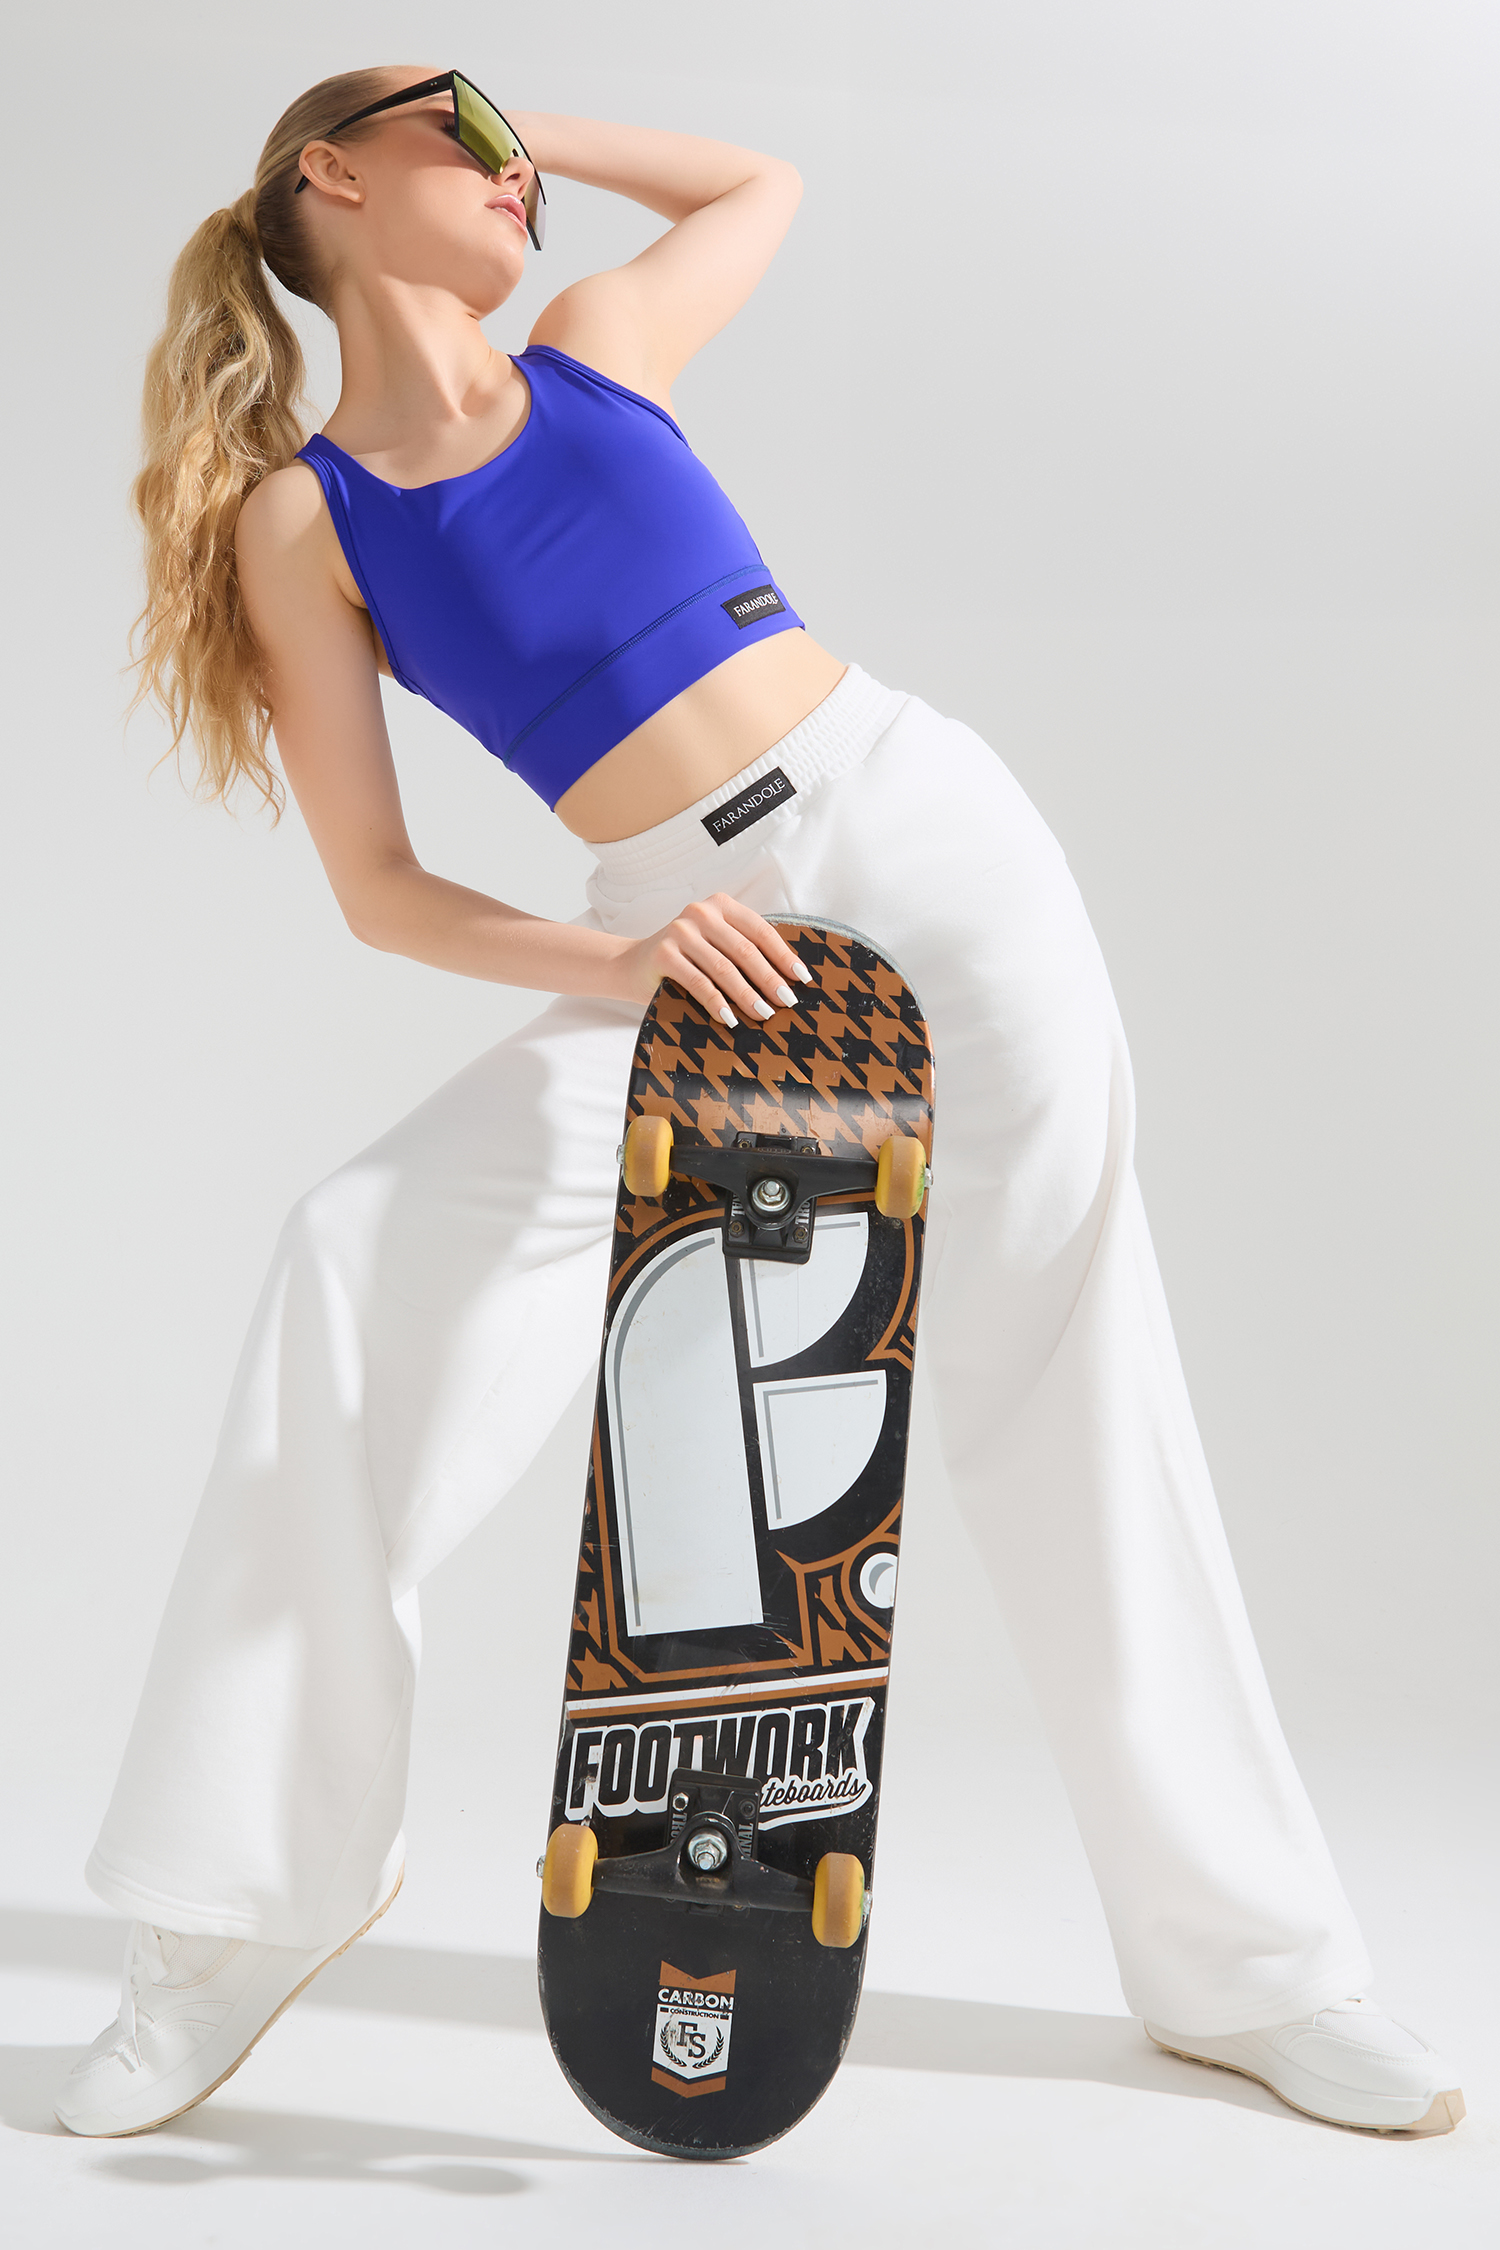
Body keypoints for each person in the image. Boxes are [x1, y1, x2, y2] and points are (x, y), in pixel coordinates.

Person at [54, 63, 1461, 2142]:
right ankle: (248, 1904)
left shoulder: (597, 352)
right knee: (350, 1256)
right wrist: (618, 967)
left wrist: (532, 127)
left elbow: (755, 183)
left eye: (512, 147)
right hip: (681, 935)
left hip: (926, 832)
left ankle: (1258, 1972)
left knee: (1068, 1374)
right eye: (460, 134)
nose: (512, 177)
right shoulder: (308, 518)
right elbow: (380, 888)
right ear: (328, 177)